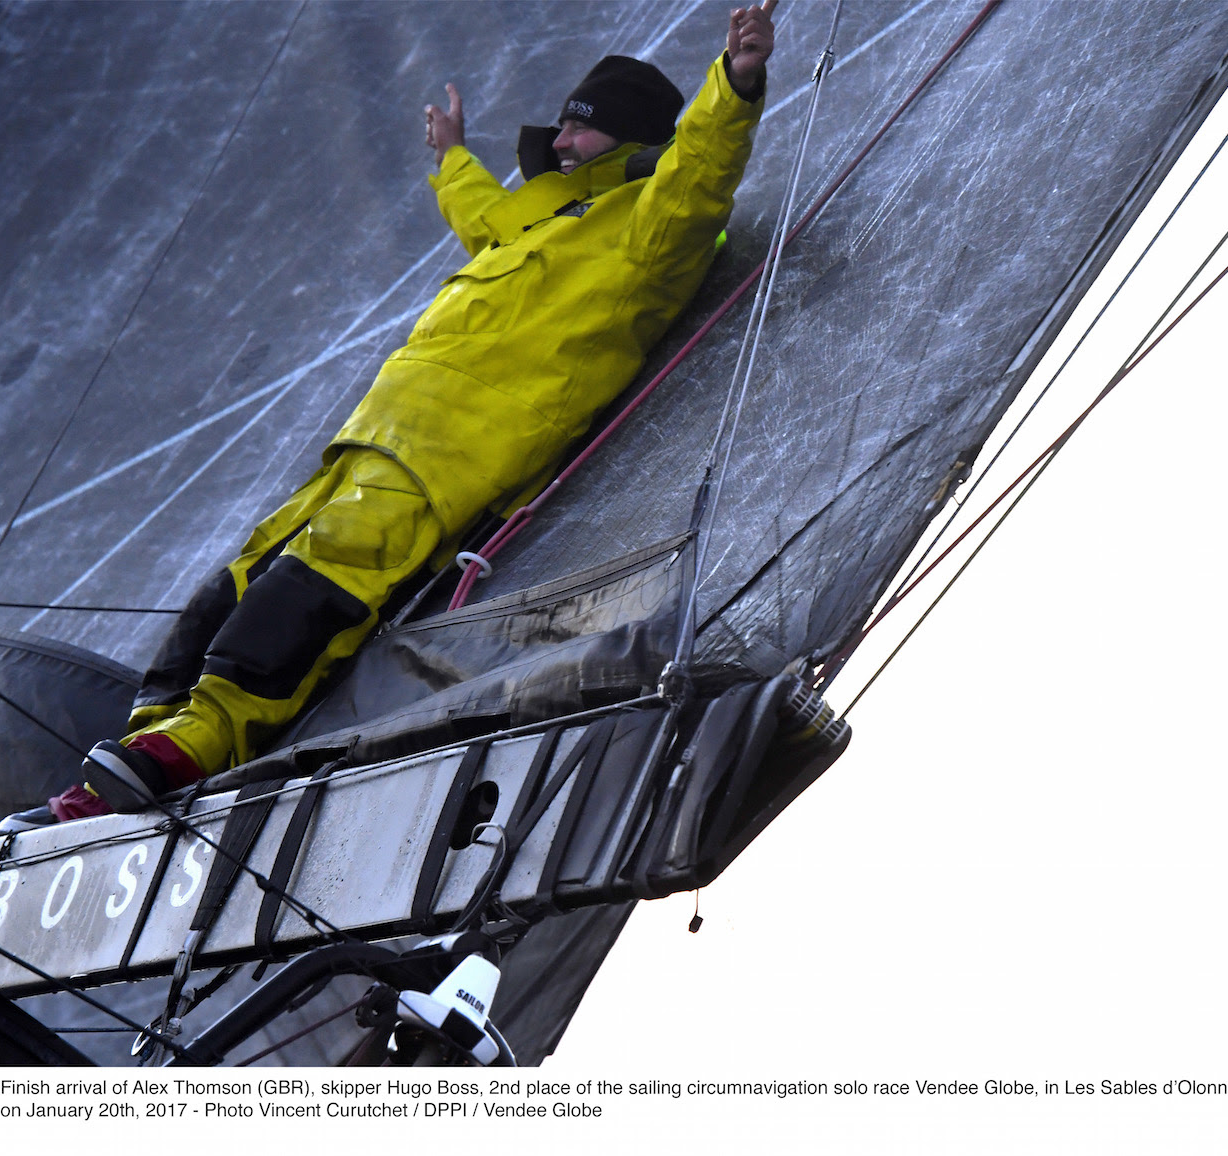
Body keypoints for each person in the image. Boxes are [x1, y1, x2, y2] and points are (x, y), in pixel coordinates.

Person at [41, 3, 778, 822]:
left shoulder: (648, 232)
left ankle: (195, 748)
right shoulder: (540, 218)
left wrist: (736, 84)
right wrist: (452, 157)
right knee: (234, 588)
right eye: (563, 127)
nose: (562, 141)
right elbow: (481, 216)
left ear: (630, 137)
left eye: (582, 129)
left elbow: (699, 172)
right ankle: (132, 764)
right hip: (371, 440)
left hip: (451, 460)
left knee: (313, 589)